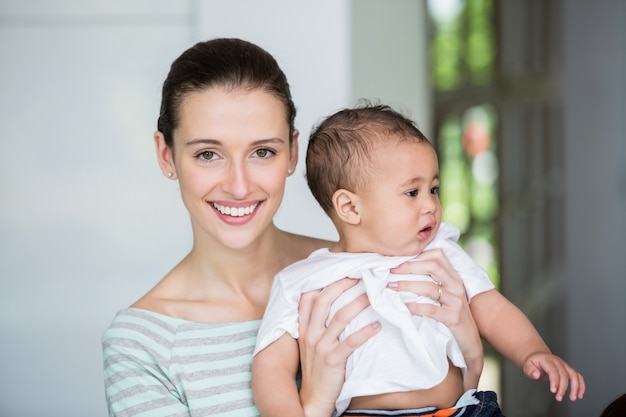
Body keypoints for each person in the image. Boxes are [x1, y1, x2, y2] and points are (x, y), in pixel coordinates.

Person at [101, 38, 486, 417]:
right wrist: (315, 405)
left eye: (262, 151)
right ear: (166, 155)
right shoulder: (141, 345)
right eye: (208, 154)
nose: (238, 186)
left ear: (292, 152)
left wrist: (470, 357)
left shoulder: (381, 265)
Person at [252, 103, 586, 417]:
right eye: (413, 192)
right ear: (350, 208)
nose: (430, 205)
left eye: (434, 189)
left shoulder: (439, 252)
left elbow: (491, 307)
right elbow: (271, 367)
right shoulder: (304, 279)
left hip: (461, 410)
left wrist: (532, 351)